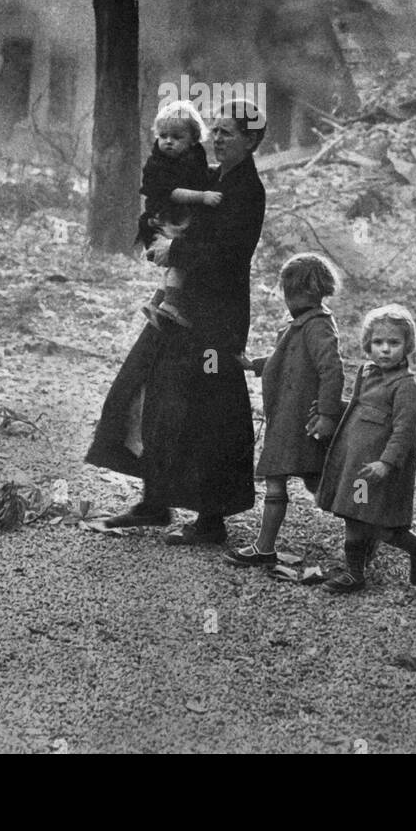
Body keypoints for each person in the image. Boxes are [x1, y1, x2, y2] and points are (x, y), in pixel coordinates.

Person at [86, 99, 267, 546]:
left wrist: (177, 253)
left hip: (214, 319)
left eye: (229, 132)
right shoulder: (211, 178)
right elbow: (163, 203)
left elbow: (229, 256)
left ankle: (211, 520)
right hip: (177, 308)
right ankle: (154, 501)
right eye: (217, 130)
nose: (219, 138)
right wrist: (156, 236)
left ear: (253, 140)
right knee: (145, 391)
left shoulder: (247, 191)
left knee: (213, 413)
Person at [226, 253, 345, 567]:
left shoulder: (317, 326)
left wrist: (327, 415)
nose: (288, 299)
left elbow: (332, 370)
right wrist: (253, 365)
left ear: (304, 292)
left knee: (313, 483)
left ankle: (366, 527)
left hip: (303, 420)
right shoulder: (302, 325)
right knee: (296, 480)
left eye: (291, 292)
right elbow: (288, 360)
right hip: (288, 418)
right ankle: (265, 546)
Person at [317, 303, 416, 594]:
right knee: (353, 514)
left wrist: (386, 463)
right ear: (368, 344)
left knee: (376, 522)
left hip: (378, 465)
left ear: (408, 345)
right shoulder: (367, 373)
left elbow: (404, 431)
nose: (385, 349)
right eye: (378, 342)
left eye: (393, 343)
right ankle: (355, 572)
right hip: (355, 460)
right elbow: (360, 407)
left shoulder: (406, 386)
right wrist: (332, 411)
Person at [135, 100, 221, 329]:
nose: (168, 142)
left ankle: (156, 303)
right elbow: (172, 192)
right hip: (166, 219)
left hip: (177, 217)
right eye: (163, 136)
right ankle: (170, 305)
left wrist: (209, 173)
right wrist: (202, 196)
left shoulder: (191, 157)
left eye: (176, 137)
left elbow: (196, 175)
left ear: (193, 138)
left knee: (177, 263)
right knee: (181, 261)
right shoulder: (160, 163)